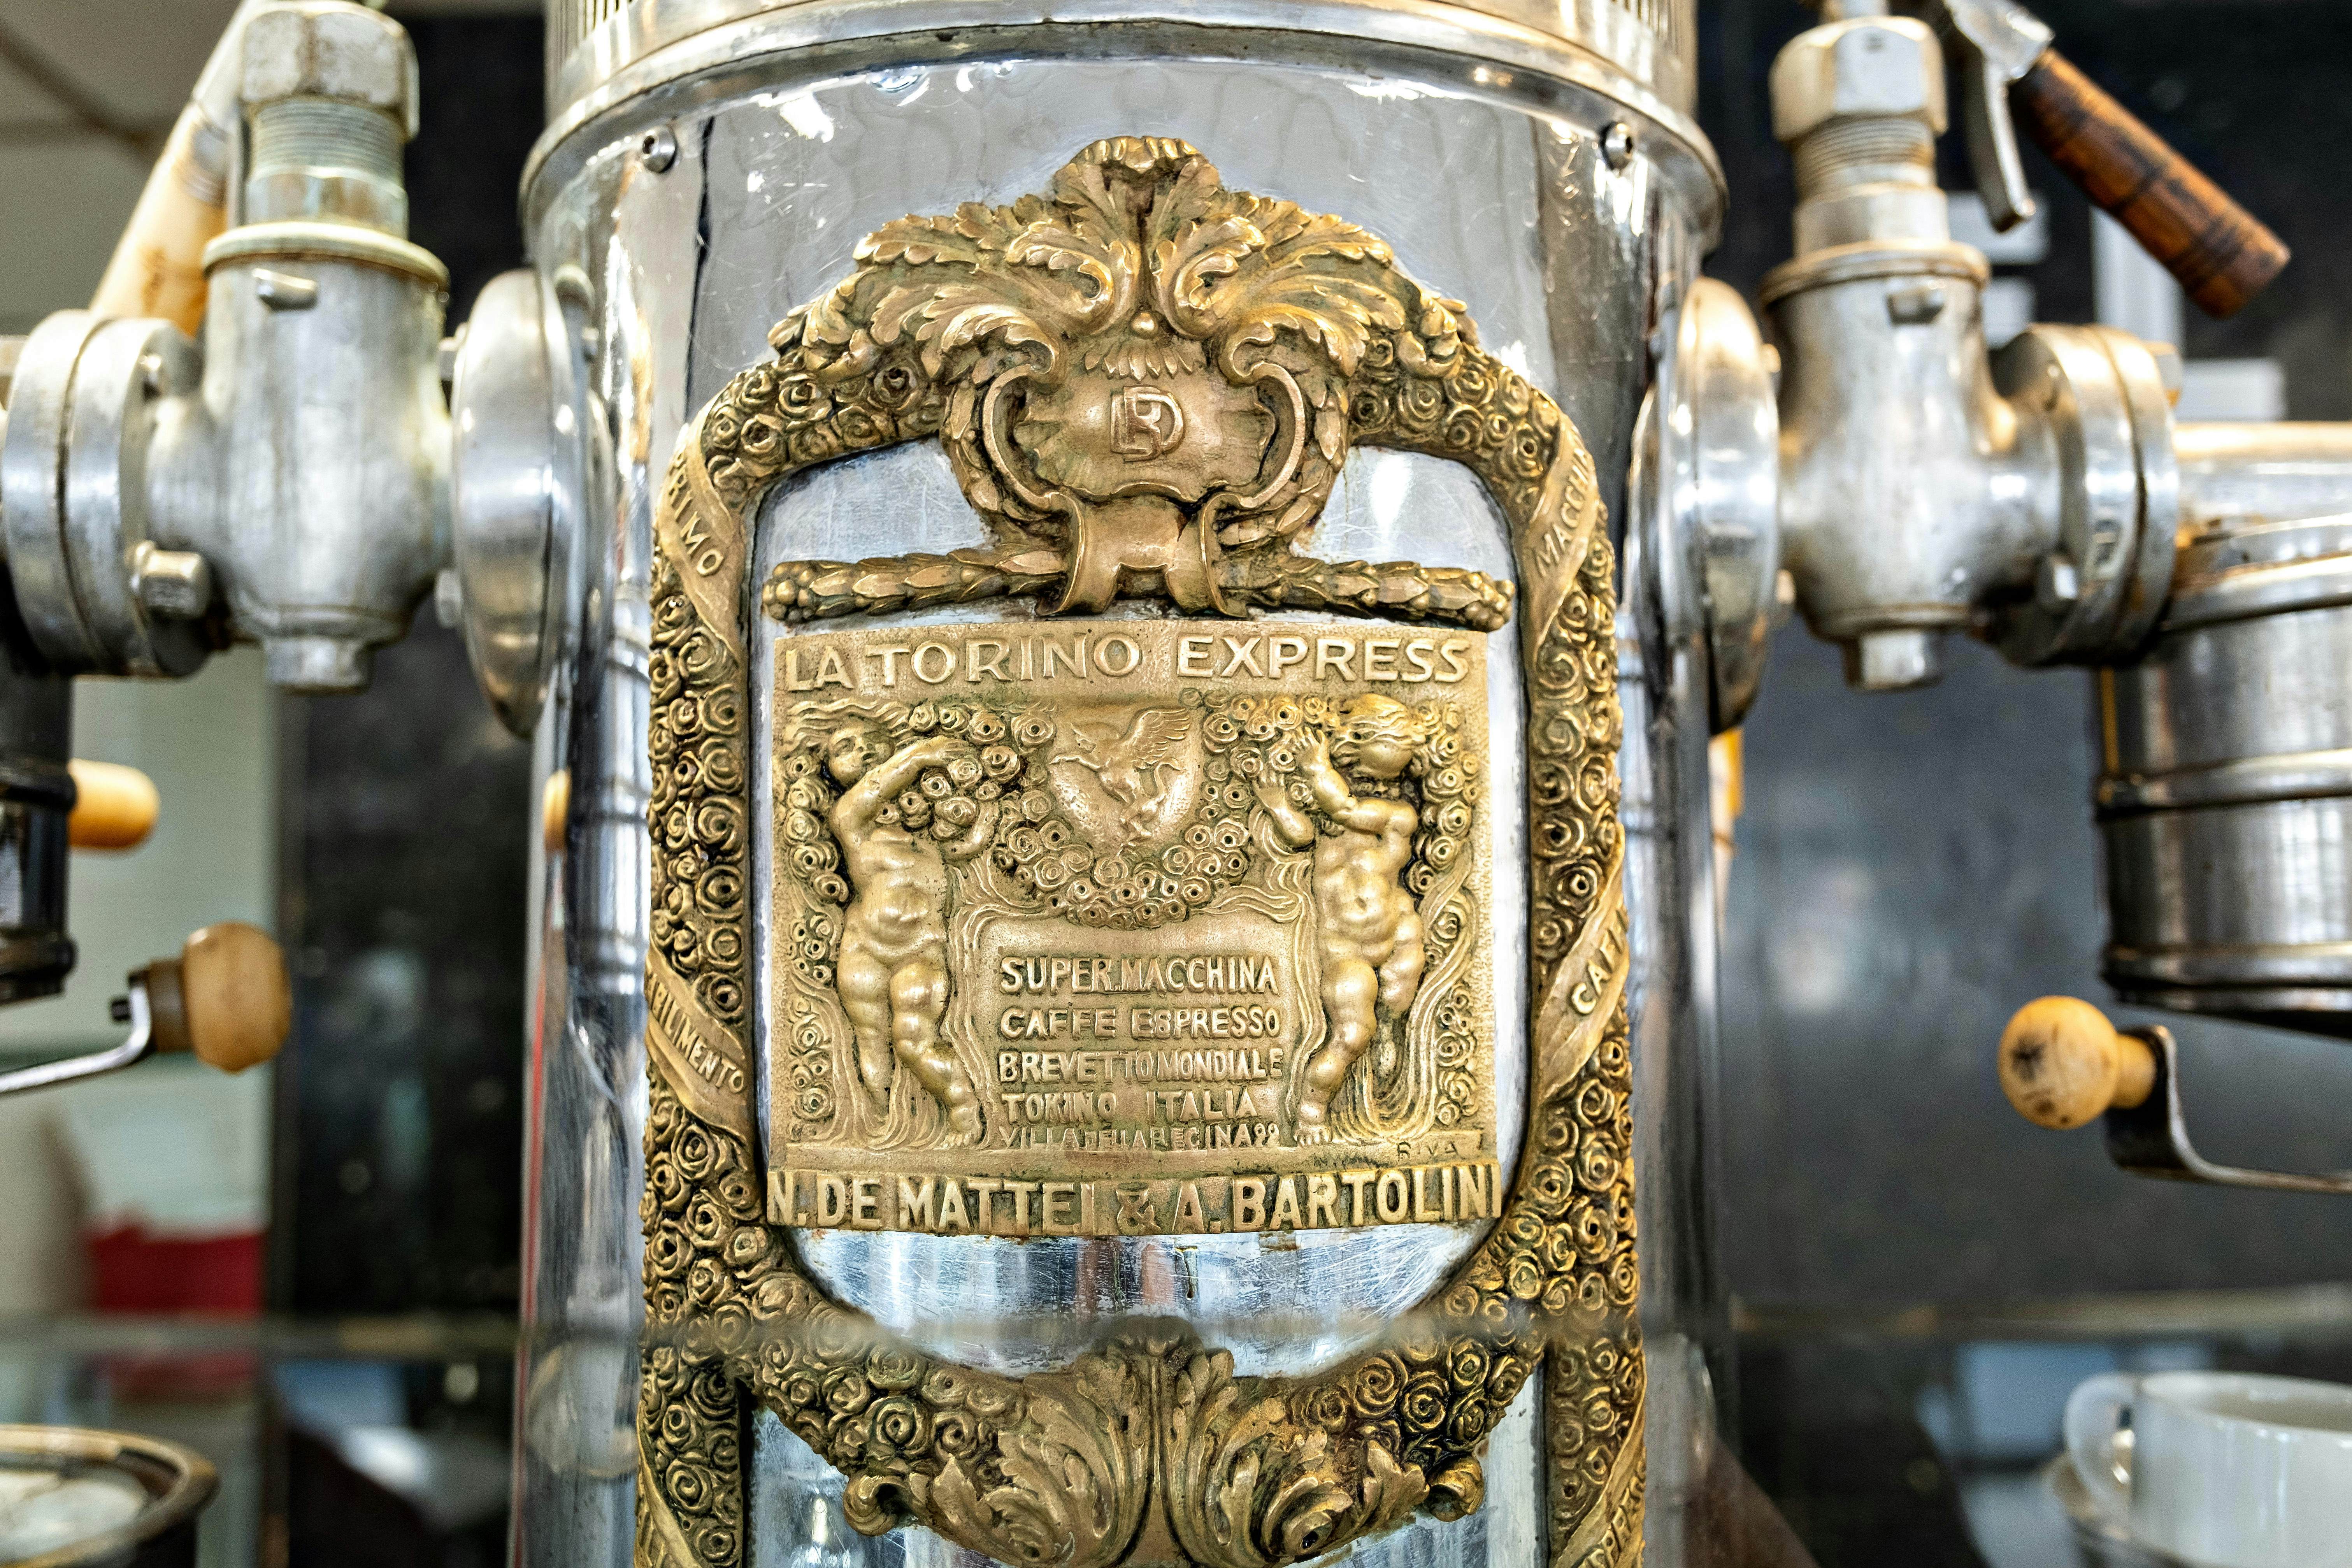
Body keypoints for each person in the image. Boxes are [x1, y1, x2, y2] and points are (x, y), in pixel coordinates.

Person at [1255, 695, 1429, 1143]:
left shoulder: (1397, 815)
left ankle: (1389, 1034)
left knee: (1397, 1000)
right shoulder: (1326, 823)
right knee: (1352, 1033)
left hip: (1400, 931)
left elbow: (1347, 809)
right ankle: (1311, 1108)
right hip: (1345, 951)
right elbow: (1302, 833)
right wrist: (1276, 805)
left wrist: (1316, 769)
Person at [825, 720, 994, 1142]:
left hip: (921, 951)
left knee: (914, 1042)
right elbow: (869, 792)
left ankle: (966, 1118)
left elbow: (969, 843)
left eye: (868, 743)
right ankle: (880, 1132)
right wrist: (922, 754)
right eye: (845, 747)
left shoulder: (931, 836)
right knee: (870, 1040)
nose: (861, 752)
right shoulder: (851, 824)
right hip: (865, 949)